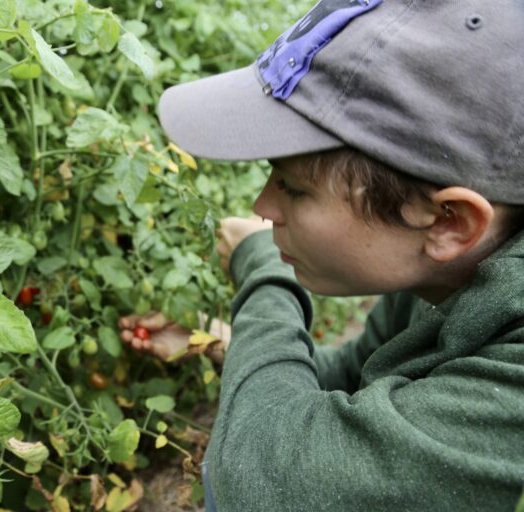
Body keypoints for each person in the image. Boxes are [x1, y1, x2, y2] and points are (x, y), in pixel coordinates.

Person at [118, 1, 524, 510]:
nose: (262, 207)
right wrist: (218, 342)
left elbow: (260, 478)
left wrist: (262, 271)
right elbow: (354, 374)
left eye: (293, 188)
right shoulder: (448, 277)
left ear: (448, 222)